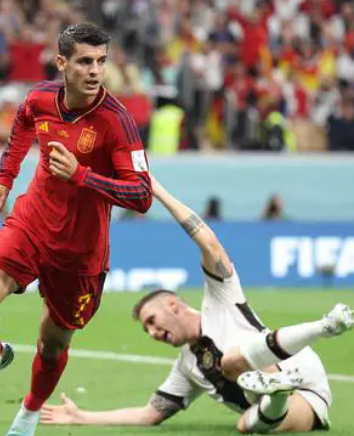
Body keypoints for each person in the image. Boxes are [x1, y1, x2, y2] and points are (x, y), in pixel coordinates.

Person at [0, 22, 153, 436]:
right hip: (32, 223)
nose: (95, 71)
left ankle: (29, 412)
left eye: (101, 62)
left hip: (80, 251)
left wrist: (82, 176)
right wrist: (4, 180)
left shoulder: (117, 121)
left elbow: (142, 195)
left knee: (53, 343)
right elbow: (23, 123)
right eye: (84, 62)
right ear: (62, 63)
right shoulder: (40, 99)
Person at [41, 174, 353, 433]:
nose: (153, 333)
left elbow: (209, 243)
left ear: (173, 305)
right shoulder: (188, 366)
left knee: (230, 363)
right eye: (148, 330)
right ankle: (276, 393)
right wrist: (81, 416)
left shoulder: (221, 299)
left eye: (152, 321)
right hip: (286, 406)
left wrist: (159, 192)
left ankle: (323, 327)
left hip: (302, 374)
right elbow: (150, 414)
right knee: (245, 425)